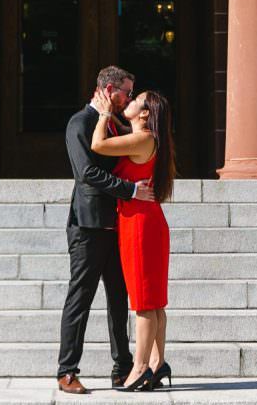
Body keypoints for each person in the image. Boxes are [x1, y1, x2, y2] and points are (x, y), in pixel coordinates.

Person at [56, 66, 156, 395]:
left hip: (119, 224)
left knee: (118, 297)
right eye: (126, 92)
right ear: (110, 89)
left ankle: (122, 368)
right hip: (88, 225)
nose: (128, 96)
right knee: (80, 298)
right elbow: (86, 173)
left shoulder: (115, 124)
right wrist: (130, 190)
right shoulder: (80, 122)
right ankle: (67, 371)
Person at [91, 87, 176, 392]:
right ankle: (156, 363)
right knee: (153, 302)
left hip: (140, 224)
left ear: (144, 113)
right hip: (144, 221)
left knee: (143, 302)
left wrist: (103, 114)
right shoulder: (147, 138)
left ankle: (139, 368)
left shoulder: (143, 139)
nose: (128, 102)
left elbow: (98, 144)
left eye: (135, 100)